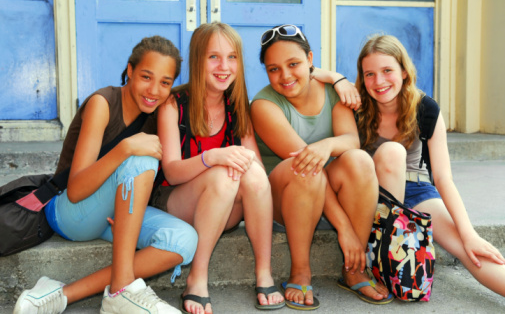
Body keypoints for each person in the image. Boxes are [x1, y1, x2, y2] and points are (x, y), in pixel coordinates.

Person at [14, 35, 198, 314]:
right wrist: (125, 148)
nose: (154, 90)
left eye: (165, 82)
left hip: (113, 214)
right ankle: (123, 288)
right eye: (146, 77)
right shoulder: (103, 102)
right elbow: (75, 190)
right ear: (130, 70)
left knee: (184, 240)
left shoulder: (158, 113)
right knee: (141, 156)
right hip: (70, 212)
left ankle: (62, 294)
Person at [250, 25, 393, 310]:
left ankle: (354, 270)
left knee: (360, 159)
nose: (286, 76)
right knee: (302, 167)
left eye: (293, 64)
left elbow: (351, 140)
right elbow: (307, 165)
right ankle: (300, 271)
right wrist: (344, 230)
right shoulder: (263, 105)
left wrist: (326, 145)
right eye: (274, 69)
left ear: (310, 60)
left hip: (330, 196)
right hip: (285, 201)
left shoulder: (331, 91)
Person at [354, 34, 505, 297]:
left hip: (416, 189)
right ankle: (386, 246)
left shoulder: (425, 108)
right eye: (369, 74)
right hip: (370, 195)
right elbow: (309, 72)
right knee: (392, 153)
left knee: (468, 247)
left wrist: (468, 233)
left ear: (403, 71)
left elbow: (443, 178)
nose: (378, 81)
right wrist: (335, 79)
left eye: (387, 70)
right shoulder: (355, 106)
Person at [155, 22, 284, 314]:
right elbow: (172, 171)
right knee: (224, 173)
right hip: (177, 204)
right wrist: (211, 157)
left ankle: (264, 272)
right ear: (197, 60)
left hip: (224, 209)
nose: (223, 66)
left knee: (250, 171)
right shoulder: (173, 104)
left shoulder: (237, 106)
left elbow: (258, 177)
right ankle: (197, 278)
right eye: (213, 57)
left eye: (232, 57)